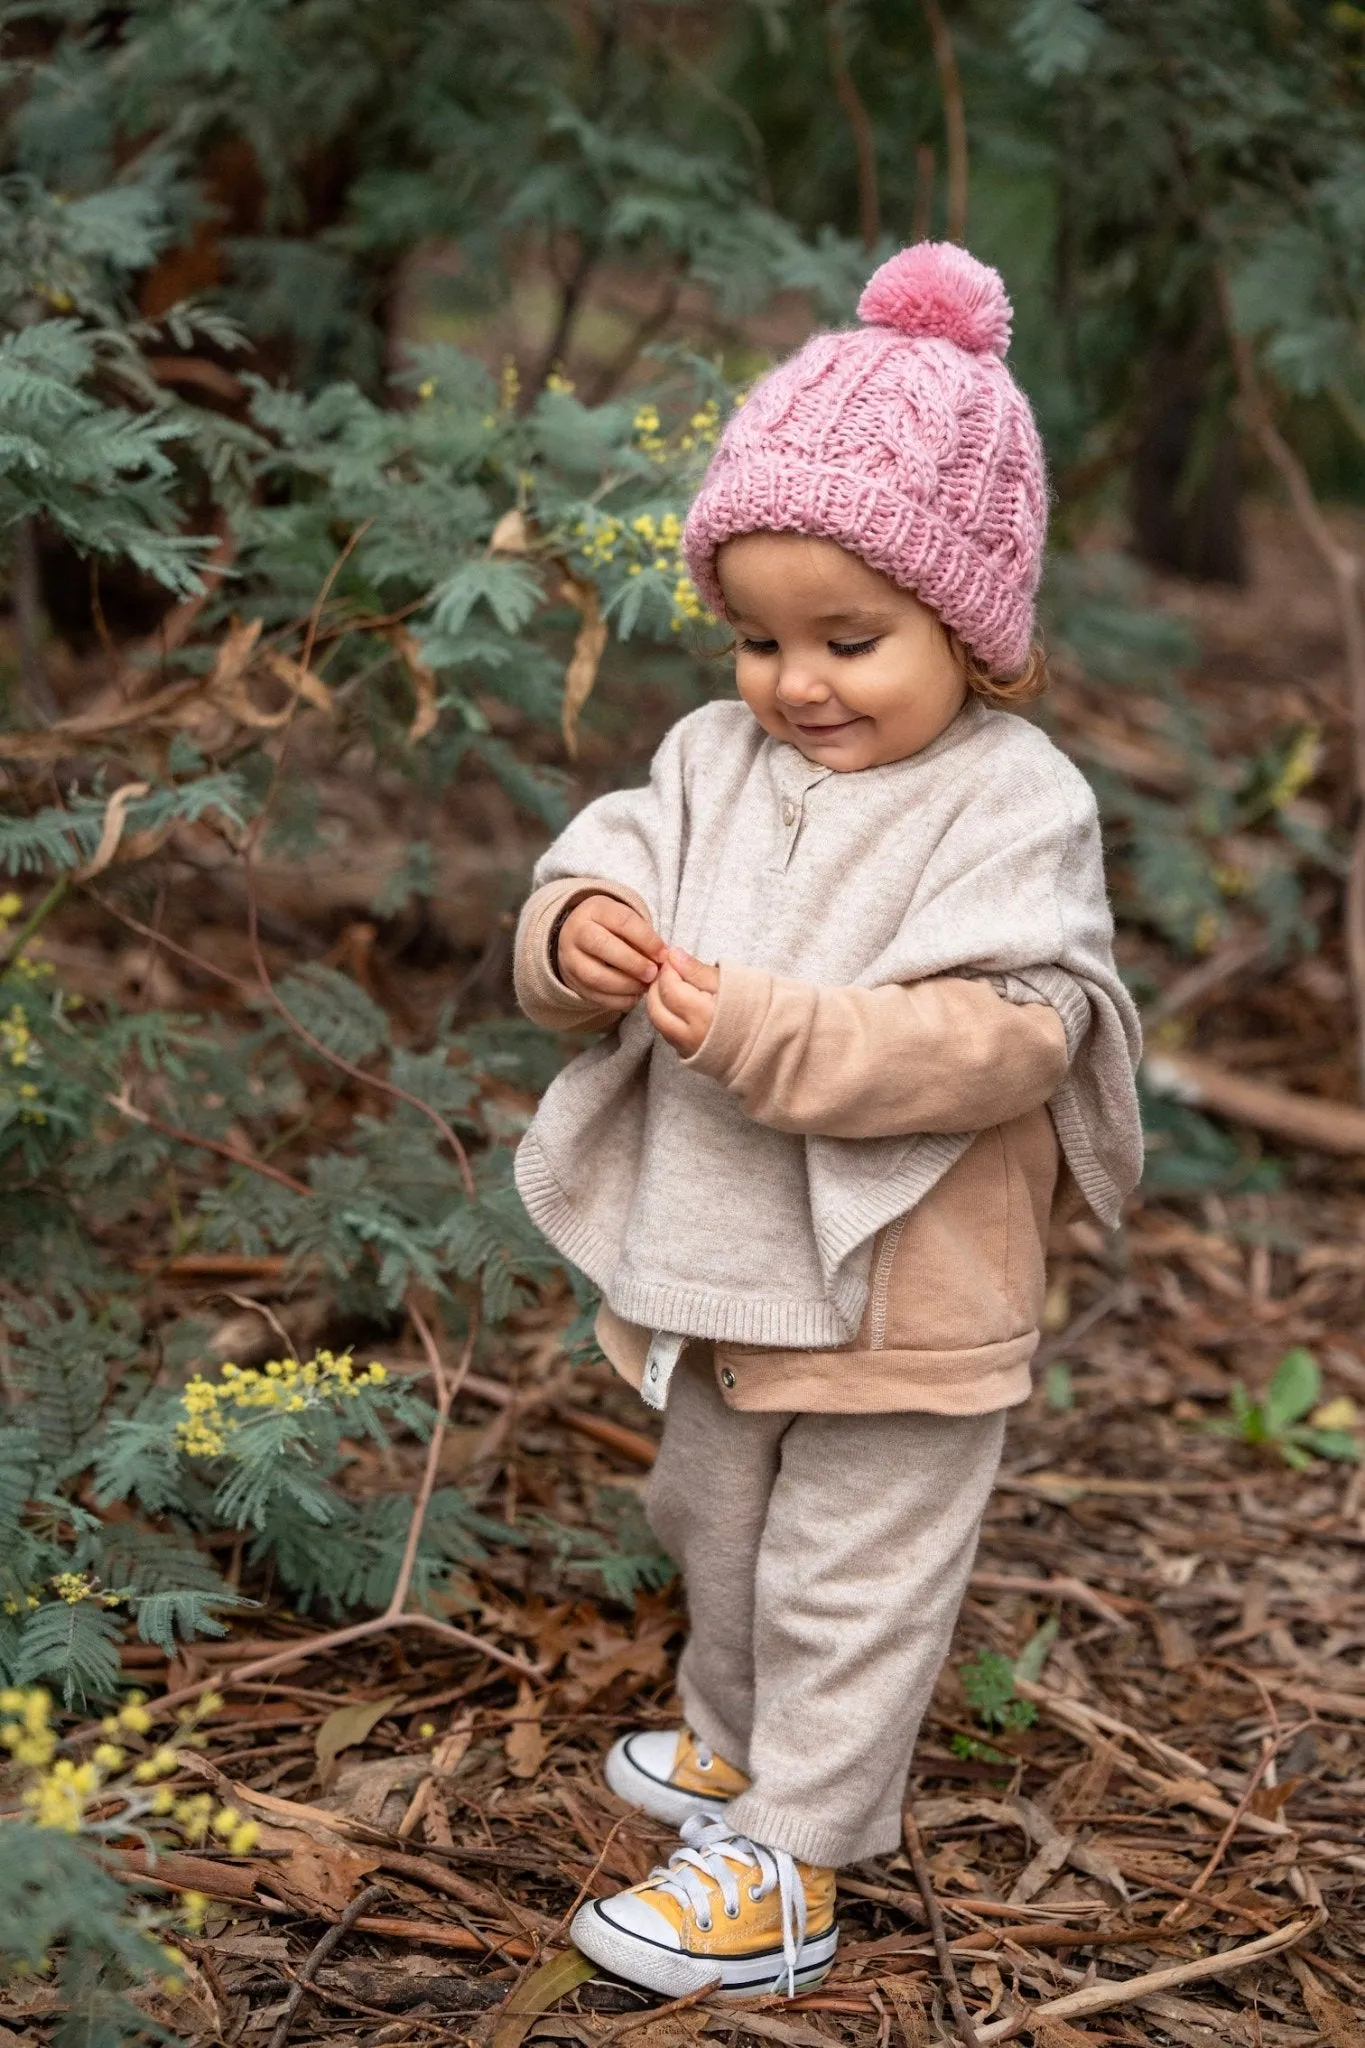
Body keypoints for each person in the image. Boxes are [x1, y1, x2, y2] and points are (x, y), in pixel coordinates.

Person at [512, 241, 1142, 2000]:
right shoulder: (716, 757)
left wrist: (783, 1035)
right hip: (728, 1254)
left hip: (913, 1287)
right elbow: (602, 852)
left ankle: (796, 1859)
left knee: (850, 1574)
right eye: (760, 635)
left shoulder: (1014, 797)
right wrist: (575, 937)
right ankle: (731, 1744)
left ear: (973, 626)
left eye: (852, 639)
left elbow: (1015, 1034)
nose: (798, 680)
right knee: (713, 1516)